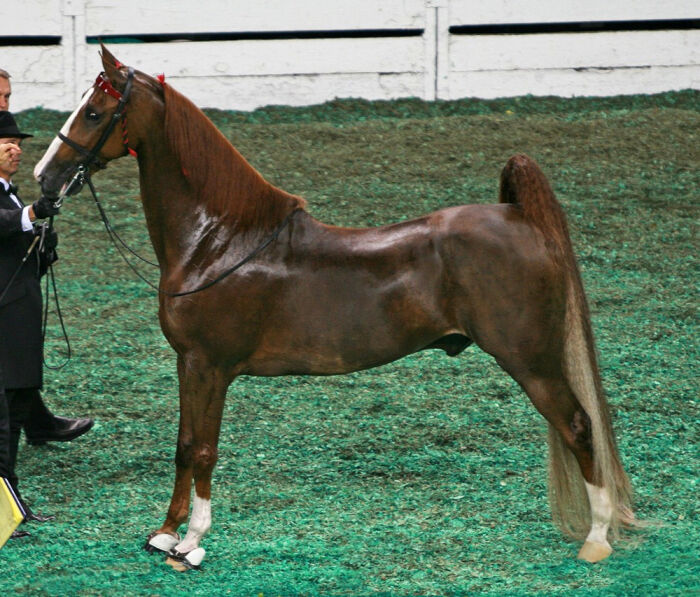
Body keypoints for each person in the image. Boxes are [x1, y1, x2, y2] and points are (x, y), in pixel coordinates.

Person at [0, 111, 91, 536]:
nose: (14, 147)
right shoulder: (15, 205)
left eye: (16, 141)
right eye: (5, 141)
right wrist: (33, 213)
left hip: (17, 325)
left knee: (14, 418)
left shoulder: (12, 195)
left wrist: (43, 247)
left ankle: (12, 507)